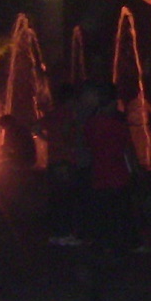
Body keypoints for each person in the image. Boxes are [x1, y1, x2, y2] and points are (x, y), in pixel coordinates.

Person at [85, 82, 146, 254]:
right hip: (117, 174)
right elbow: (128, 149)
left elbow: (88, 145)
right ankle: (128, 242)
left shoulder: (92, 123)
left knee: (104, 211)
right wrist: (136, 169)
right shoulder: (117, 125)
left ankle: (104, 243)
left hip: (99, 174)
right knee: (122, 210)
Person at [35, 84, 85, 247]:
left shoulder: (52, 114)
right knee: (67, 198)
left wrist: (48, 140)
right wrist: (68, 144)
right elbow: (69, 133)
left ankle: (56, 233)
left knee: (57, 198)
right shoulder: (69, 114)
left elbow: (35, 127)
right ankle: (66, 233)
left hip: (54, 160)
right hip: (66, 160)